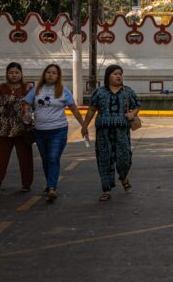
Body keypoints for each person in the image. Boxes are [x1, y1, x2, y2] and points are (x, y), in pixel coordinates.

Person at [25, 63, 86, 203]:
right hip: (40, 131)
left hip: (58, 130)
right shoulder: (36, 90)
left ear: (58, 76)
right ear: (44, 74)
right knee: (46, 159)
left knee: (53, 157)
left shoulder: (64, 91)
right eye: (48, 72)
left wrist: (83, 125)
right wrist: (27, 113)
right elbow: (26, 103)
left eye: (54, 73)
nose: (50, 75)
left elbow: (74, 109)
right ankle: (49, 184)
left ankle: (52, 187)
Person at [82, 64, 141, 202]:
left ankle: (123, 177)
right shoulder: (99, 92)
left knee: (125, 159)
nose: (118, 76)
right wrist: (85, 126)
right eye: (115, 74)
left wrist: (133, 113)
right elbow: (91, 110)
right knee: (104, 160)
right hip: (103, 132)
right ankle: (106, 190)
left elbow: (137, 105)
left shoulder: (128, 92)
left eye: (120, 73)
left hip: (122, 131)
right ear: (108, 76)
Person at [0, 62, 33, 199]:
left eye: (17, 72)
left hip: (21, 129)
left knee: (25, 159)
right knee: (0, 160)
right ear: (7, 74)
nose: (14, 75)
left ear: (21, 74)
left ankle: (26, 184)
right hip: (3, 130)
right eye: (11, 72)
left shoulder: (26, 88)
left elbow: (32, 104)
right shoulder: (1, 88)